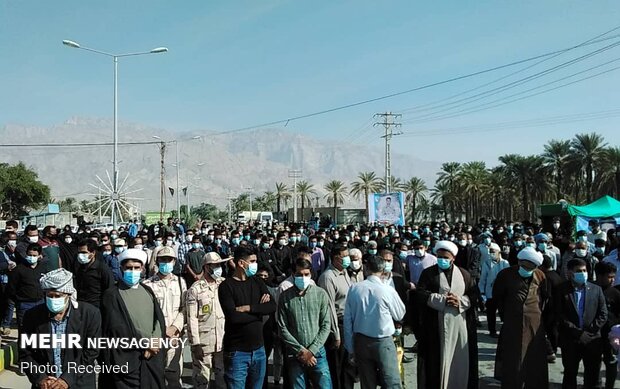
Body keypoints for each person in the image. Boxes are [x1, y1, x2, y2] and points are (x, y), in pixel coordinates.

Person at [19, 268, 101, 389]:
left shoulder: (90, 314)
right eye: (49, 296)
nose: (53, 300)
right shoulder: (32, 316)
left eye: (58, 296)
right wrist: (40, 378)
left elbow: (91, 352)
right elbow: (25, 352)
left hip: (79, 383)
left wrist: (66, 379)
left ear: (68, 295)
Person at [99, 248, 167, 389]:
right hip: (126, 360)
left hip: (151, 358)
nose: (132, 271)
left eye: (136, 268)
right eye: (129, 268)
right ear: (122, 268)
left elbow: (158, 320)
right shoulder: (111, 295)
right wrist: (144, 344)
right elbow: (114, 328)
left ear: (142, 269)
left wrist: (154, 342)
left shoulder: (147, 291)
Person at [415, 240, 478, 389]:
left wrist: (460, 301)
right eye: (439, 257)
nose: (442, 260)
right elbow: (420, 293)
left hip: (459, 325)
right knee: (435, 363)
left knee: (459, 361)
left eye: (445, 257)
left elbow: (474, 295)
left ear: (453, 258)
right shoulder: (429, 273)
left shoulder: (464, 274)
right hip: (435, 328)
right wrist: (442, 301)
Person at [218, 246, 276, 388]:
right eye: (252, 261)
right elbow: (233, 317)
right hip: (237, 352)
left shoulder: (257, 282)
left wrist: (249, 308)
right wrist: (259, 314)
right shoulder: (226, 286)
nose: (256, 264)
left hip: (259, 350)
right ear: (241, 263)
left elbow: (272, 306)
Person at [343, 254, 405, 389]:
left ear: (366, 268)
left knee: (367, 383)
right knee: (391, 381)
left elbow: (348, 320)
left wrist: (350, 348)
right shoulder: (387, 289)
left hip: (361, 341)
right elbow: (400, 313)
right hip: (383, 341)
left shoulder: (355, 289)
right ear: (383, 270)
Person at [492, 246, 550, 388]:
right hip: (513, 323)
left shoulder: (540, 276)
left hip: (535, 323)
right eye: (524, 266)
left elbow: (545, 297)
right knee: (512, 359)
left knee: (534, 359)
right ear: (519, 262)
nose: (526, 269)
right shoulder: (505, 275)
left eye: (530, 267)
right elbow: (498, 296)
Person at [278, 257, 332, 388]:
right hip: (295, 353)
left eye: (306, 274)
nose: (303, 278)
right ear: (293, 275)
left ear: (311, 274)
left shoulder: (320, 294)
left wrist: (311, 351)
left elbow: (325, 325)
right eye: (299, 275)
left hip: (317, 352)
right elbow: (282, 327)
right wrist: (301, 351)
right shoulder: (285, 296)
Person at [556, 258, 608, 389]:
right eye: (579, 271)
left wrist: (589, 332)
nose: (583, 273)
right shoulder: (561, 290)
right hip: (571, 340)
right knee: (570, 374)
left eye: (584, 270)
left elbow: (603, 314)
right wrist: (577, 333)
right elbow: (559, 315)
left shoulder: (596, 289)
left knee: (592, 375)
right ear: (570, 273)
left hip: (592, 340)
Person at [142, 246, 187, 389]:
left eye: (169, 260)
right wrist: (159, 332)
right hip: (155, 338)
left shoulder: (181, 282)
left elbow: (185, 308)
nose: (166, 263)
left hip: (174, 337)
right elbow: (146, 314)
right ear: (157, 261)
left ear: (174, 262)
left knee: (174, 375)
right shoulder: (147, 285)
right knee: (155, 376)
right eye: (163, 260)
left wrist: (175, 328)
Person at [186, 252, 228, 389]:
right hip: (204, 341)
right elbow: (192, 318)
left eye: (219, 265)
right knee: (202, 379)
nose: (218, 268)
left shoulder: (224, 284)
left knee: (222, 377)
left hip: (222, 339)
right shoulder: (195, 289)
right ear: (206, 267)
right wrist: (195, 343)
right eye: (214, 266)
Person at [318, 245, 355, 389]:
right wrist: (336, 334)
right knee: (337, 367)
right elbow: (329, 308)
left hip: (349, 323)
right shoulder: (327, 277)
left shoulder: (345, 272)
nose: (347, 259)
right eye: (344, 256)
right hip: (338, 325)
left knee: (348, 366)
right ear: (335, 258)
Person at [7, 243, 48, 330]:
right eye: (29, 255)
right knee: (24, 329)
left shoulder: (43, 268)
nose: (31, 257)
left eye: (34, 255)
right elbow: (11, 288)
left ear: (39, 256)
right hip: (24, 304)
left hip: (41, 303)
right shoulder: (18, 269)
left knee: (39, 328)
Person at [594, 261, 620, 389]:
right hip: (593, 334)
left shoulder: (616, 293)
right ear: (599, 275)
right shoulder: (590, 290)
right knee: (593, 363)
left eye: (613, 276)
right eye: (610, 277)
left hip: (610, 336)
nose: (613, 279)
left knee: (611, 362)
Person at [478, 243, 509, 337]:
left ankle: (505, 331)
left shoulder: (505, 263)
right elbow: (483, 279)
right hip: (490, 292)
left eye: (493, 251)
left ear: (499, 252)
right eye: (490, 252)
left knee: (504, 313)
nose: (491, 253)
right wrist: (482, 293)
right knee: (491, 313)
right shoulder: (486, 263)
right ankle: (492, 331)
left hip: (503, 292)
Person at [73, 238, 114, 308]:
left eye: (84, 252)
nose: (80, 255)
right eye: (79, 252)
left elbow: (109, 290)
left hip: (96, 307)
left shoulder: (102, 269)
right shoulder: (79, 267)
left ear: (93, 253)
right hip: (81, 305)